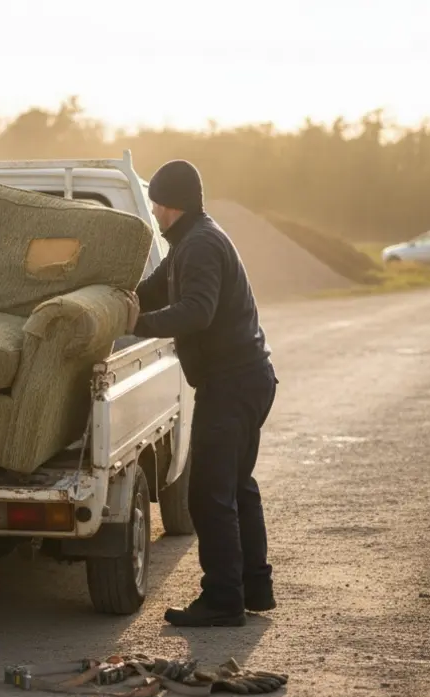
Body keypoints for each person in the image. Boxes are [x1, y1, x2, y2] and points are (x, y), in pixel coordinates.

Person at [132, 160, 278, 628]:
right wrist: (118, 300)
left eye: (155, 202)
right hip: (248, 378)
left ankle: (222, 600)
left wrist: (136, 325)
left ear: (168, 204)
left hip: (233, 383)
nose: (152, 210)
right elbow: (152, 292)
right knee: (236, 487)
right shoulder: (190, 242)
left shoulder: (199, 246)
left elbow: (197, 312)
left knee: (208, 495)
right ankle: (254, 587)